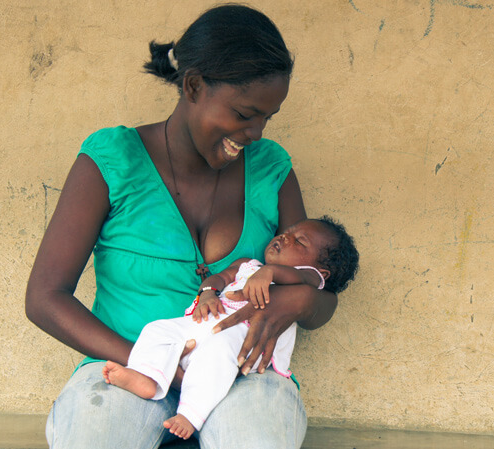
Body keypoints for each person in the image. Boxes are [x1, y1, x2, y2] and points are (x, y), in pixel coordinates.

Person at [25, 4, 344, 449]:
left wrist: (301, 301)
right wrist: (154, 365)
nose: (255, 132)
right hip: (130, 369)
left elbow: (321, 298)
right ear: (193, 86)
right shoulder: (113, 160)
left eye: (267, 118)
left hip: (240, 378)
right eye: (244, 113)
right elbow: (44, 298)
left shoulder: (271, 168)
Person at [102, 217, 359, 440]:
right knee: (157, 330)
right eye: (287, 232)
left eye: (300, 241)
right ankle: (147, 377)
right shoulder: (248, 265)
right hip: (204, 326)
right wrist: (207, 294)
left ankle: (190, 415)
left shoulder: (309, 279)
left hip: (242, 339)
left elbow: (304, 278)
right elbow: (220, 279)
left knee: (218, 353)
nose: (285, 237)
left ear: (319, 270)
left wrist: (271, 272)